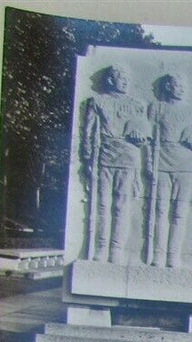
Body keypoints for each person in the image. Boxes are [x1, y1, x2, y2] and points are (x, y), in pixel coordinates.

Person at [82, 64, 150, 264]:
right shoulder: (98, 101)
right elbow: (88, 132)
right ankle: (101, 246)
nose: (126, 82)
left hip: (128, 158)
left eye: (128, 79)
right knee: (103, 205)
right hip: (104, 157)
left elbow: (144, 135)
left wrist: (140, 137)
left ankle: (116, 248)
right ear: (111, 80)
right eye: (122, 79)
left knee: (122, 206)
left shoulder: (137, 105)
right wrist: (87, 158)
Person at [146, 73, 192, 268]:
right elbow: (149, 138)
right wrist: (149, 162)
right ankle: (159, 254)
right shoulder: (156, 107)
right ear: (168, 87)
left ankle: (173, 255)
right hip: (162, 160)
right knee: (161, 210)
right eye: (176, 85)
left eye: (183, 85)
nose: (181, 88)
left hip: (186, 163)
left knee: (179, 212)